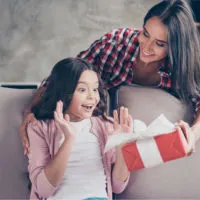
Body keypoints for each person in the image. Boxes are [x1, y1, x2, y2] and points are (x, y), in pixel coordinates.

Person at [20, 0, 200, 154]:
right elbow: (66, 76)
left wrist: (193, 133)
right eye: (145, 33)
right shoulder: (114, 45)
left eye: (159, 44)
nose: (146, 47)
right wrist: (29, 112)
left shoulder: (185, 64)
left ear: (175, 48)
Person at [27, 57, 132, 200]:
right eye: (82, 89)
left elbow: (118, 187)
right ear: (64, 92)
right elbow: (43, 190)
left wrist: (122, 145)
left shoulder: (106, 126)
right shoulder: (39, 128)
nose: (92, 97)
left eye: (95, 89)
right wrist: (69, 139)